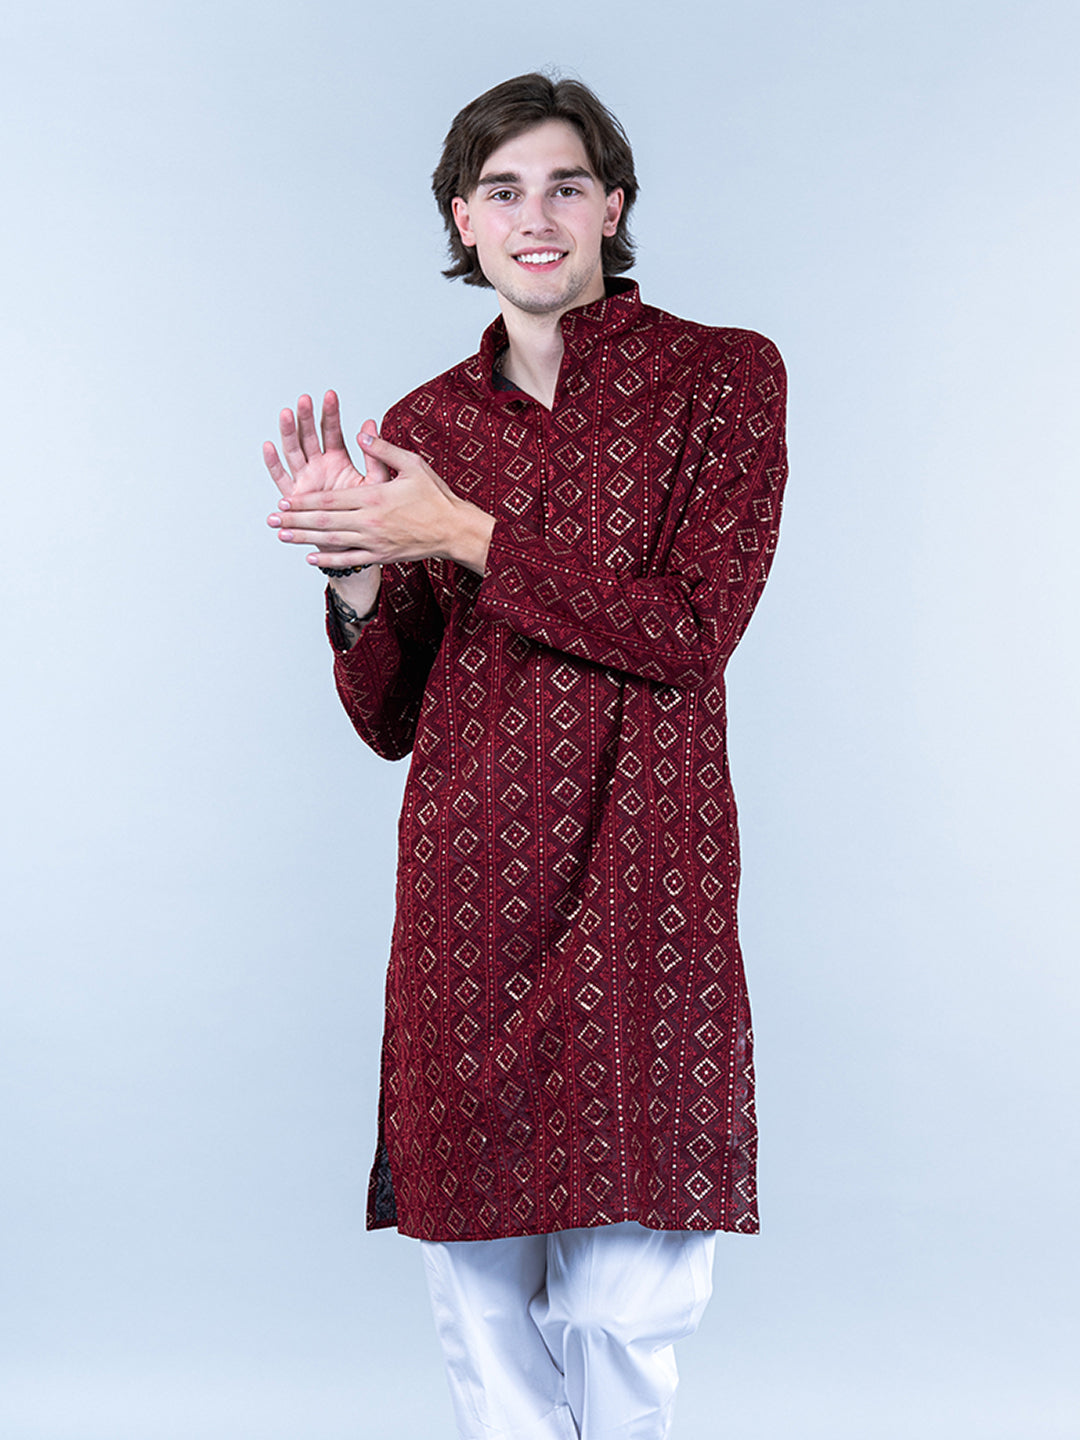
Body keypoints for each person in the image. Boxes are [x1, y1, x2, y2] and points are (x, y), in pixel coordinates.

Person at [264, 72, 787, 1440]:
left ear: (614, 206)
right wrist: (356, 574)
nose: (535, 216)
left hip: (642, 877)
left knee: (622, 1313)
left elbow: (689, 633)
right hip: (473, 892)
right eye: (503, 191)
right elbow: (392, 715)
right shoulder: (427, 430)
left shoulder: (723, 378)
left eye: (565, 185)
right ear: (463, 218)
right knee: (485, 1318)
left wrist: (463, 533)